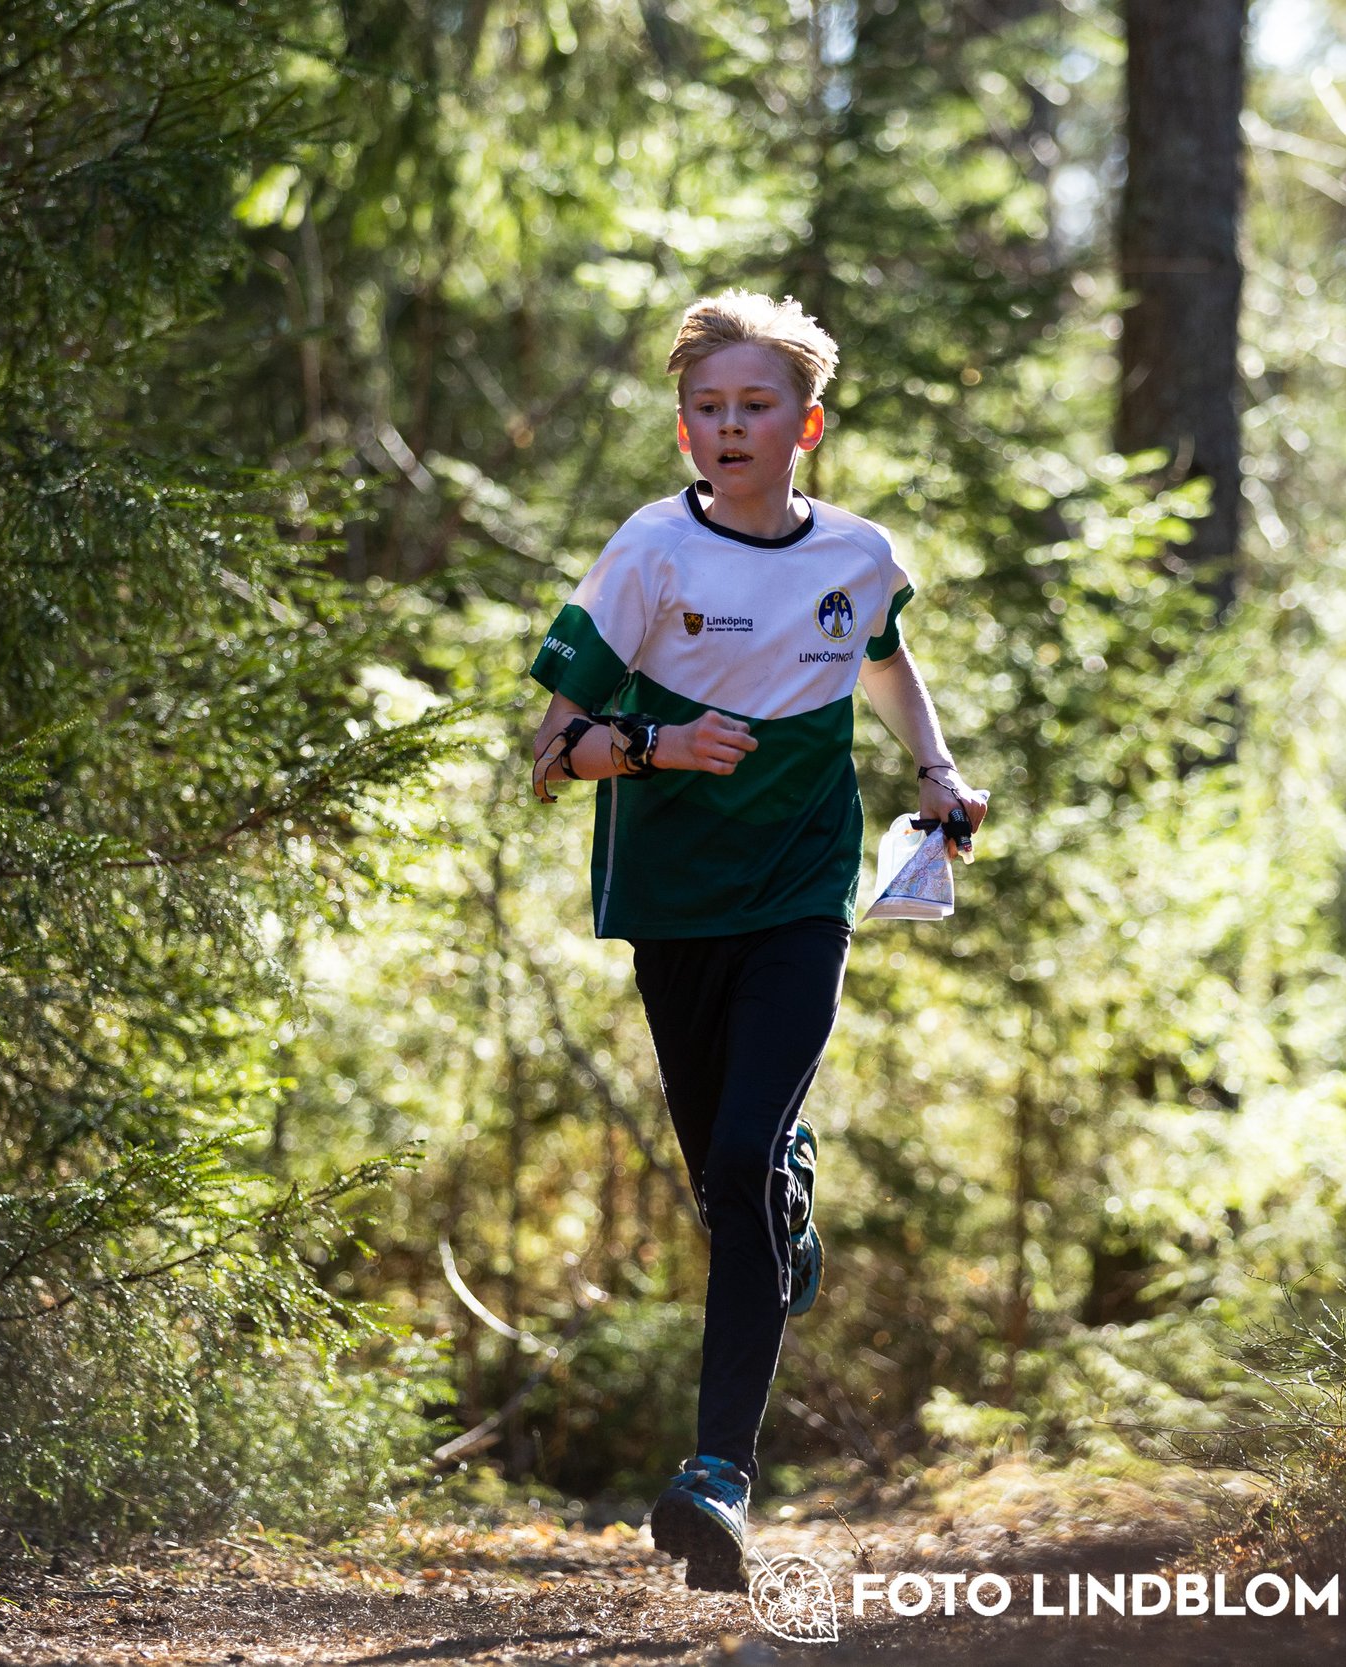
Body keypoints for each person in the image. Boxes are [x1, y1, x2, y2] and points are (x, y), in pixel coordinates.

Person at [524, 291, 986, 1591]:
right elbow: (551, 752)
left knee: (736, 1160)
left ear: (807, 426)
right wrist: (655, 742)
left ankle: (716, 1474)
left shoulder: (856, 554)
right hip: (671, 903)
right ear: (686, 431)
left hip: (800, 892)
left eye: (755, 406)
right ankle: (788, 1208)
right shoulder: (645, 556)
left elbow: (885, 659)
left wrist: (938, 772)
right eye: (710, 410)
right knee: (734, 1182)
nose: (730, 427)